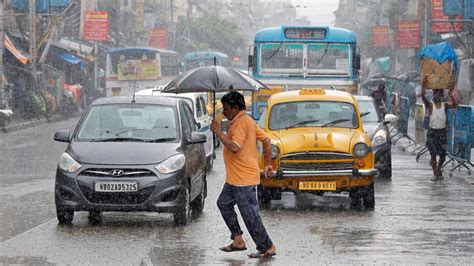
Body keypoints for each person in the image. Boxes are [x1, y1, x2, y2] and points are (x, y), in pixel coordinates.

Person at [210, 91, 277, 259]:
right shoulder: (247, 120)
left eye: (225, 108)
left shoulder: (241, 123)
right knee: (223, 204)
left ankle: (267, 246)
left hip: (243, 180)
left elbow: (235, 147)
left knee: (250, 216)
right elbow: (267, 141)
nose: (224, 112)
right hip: (234, 179)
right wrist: (267, 164)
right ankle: (238, 239)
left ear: (234, 108)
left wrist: (219, 132)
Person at [421, 77, 458, 181]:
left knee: (442, 155)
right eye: (435, 94)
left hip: (442, 133)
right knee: (433, 155)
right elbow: (423, 96)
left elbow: (455, 105)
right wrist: (424, 85)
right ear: (433, 95)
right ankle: (435, 174)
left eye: (438, 94)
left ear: (441, 95)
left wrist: (451, 94)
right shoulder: (430, 105)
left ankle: (439, 168)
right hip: (432, 133)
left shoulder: (445, 105)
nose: (436, 95)